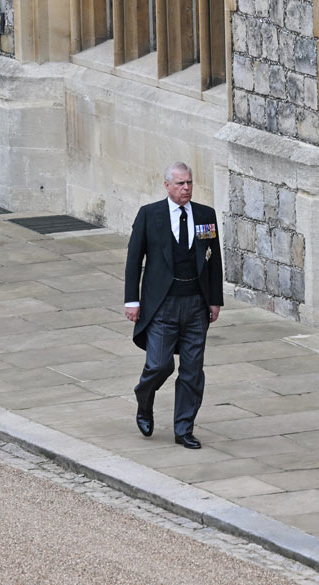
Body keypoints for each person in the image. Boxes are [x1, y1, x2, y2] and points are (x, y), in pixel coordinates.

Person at [124, 162, 224, 449]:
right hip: (162, 305)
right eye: (180, 184)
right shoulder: (149, 215)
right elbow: (134, 261)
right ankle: (144, 400)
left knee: (192, 370)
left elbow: (213, 259)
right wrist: (132, 300)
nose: (186, 188)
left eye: (189, 183)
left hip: (195, 304)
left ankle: (184, 429)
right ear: (167, 185)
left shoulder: (205, 215)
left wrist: (215, 300)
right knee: (159, 364)